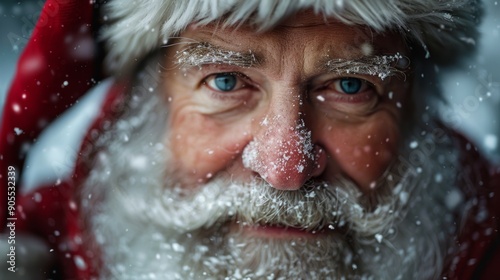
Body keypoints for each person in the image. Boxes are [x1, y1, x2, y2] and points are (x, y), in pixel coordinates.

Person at [1, 0, 499, 279]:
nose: (285, 168)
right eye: (226, 82)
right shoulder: (30, 253)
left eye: (351, 87)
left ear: (415, 110)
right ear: (147, 105)